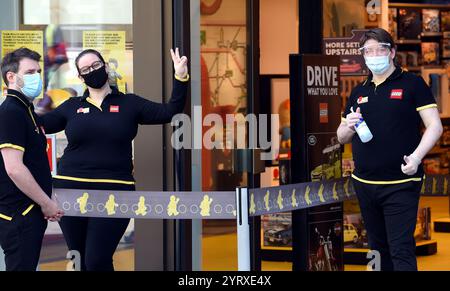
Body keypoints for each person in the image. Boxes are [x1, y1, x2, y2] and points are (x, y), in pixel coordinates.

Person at [41, 48, 189, 271]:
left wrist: (180, 76)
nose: (93, 71)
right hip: (70, 191)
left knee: (97, 260)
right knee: (78, 259)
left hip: (115, 191)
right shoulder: (71, 107)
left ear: (106, 66)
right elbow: (38, 124)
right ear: (81, 77)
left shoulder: (130, 104)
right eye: (86, 69)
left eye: (96, 65)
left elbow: (171, 111)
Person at [337, 28, 443, 271]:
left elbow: (435, 127)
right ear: (363, 56)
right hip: (364, 183)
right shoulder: (359, 91)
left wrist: (416, 158)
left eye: (380, 49)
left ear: (392, 52)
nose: (374, 55)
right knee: (376, 248)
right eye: (368, 51)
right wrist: (349, 126)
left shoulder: (412, 84)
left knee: (401, 248)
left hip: (401, 182)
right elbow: (341, 137)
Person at [0, 48, 64, 271]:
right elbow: (14, 169)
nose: (37, 77)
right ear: (11, 77)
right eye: (30, 72)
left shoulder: (27, 111)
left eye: (38, 71)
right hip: (19, 215)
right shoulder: (11, 112)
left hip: (30, 214)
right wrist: (47, 204)